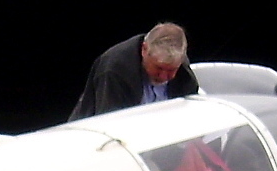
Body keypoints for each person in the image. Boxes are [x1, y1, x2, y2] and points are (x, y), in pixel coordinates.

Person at [68, 22, 199, 119]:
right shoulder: (114, 71)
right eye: (159, 68)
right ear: (144, 50)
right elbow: (109, 124)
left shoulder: (183, 73)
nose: (164, 76)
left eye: (171, 70)